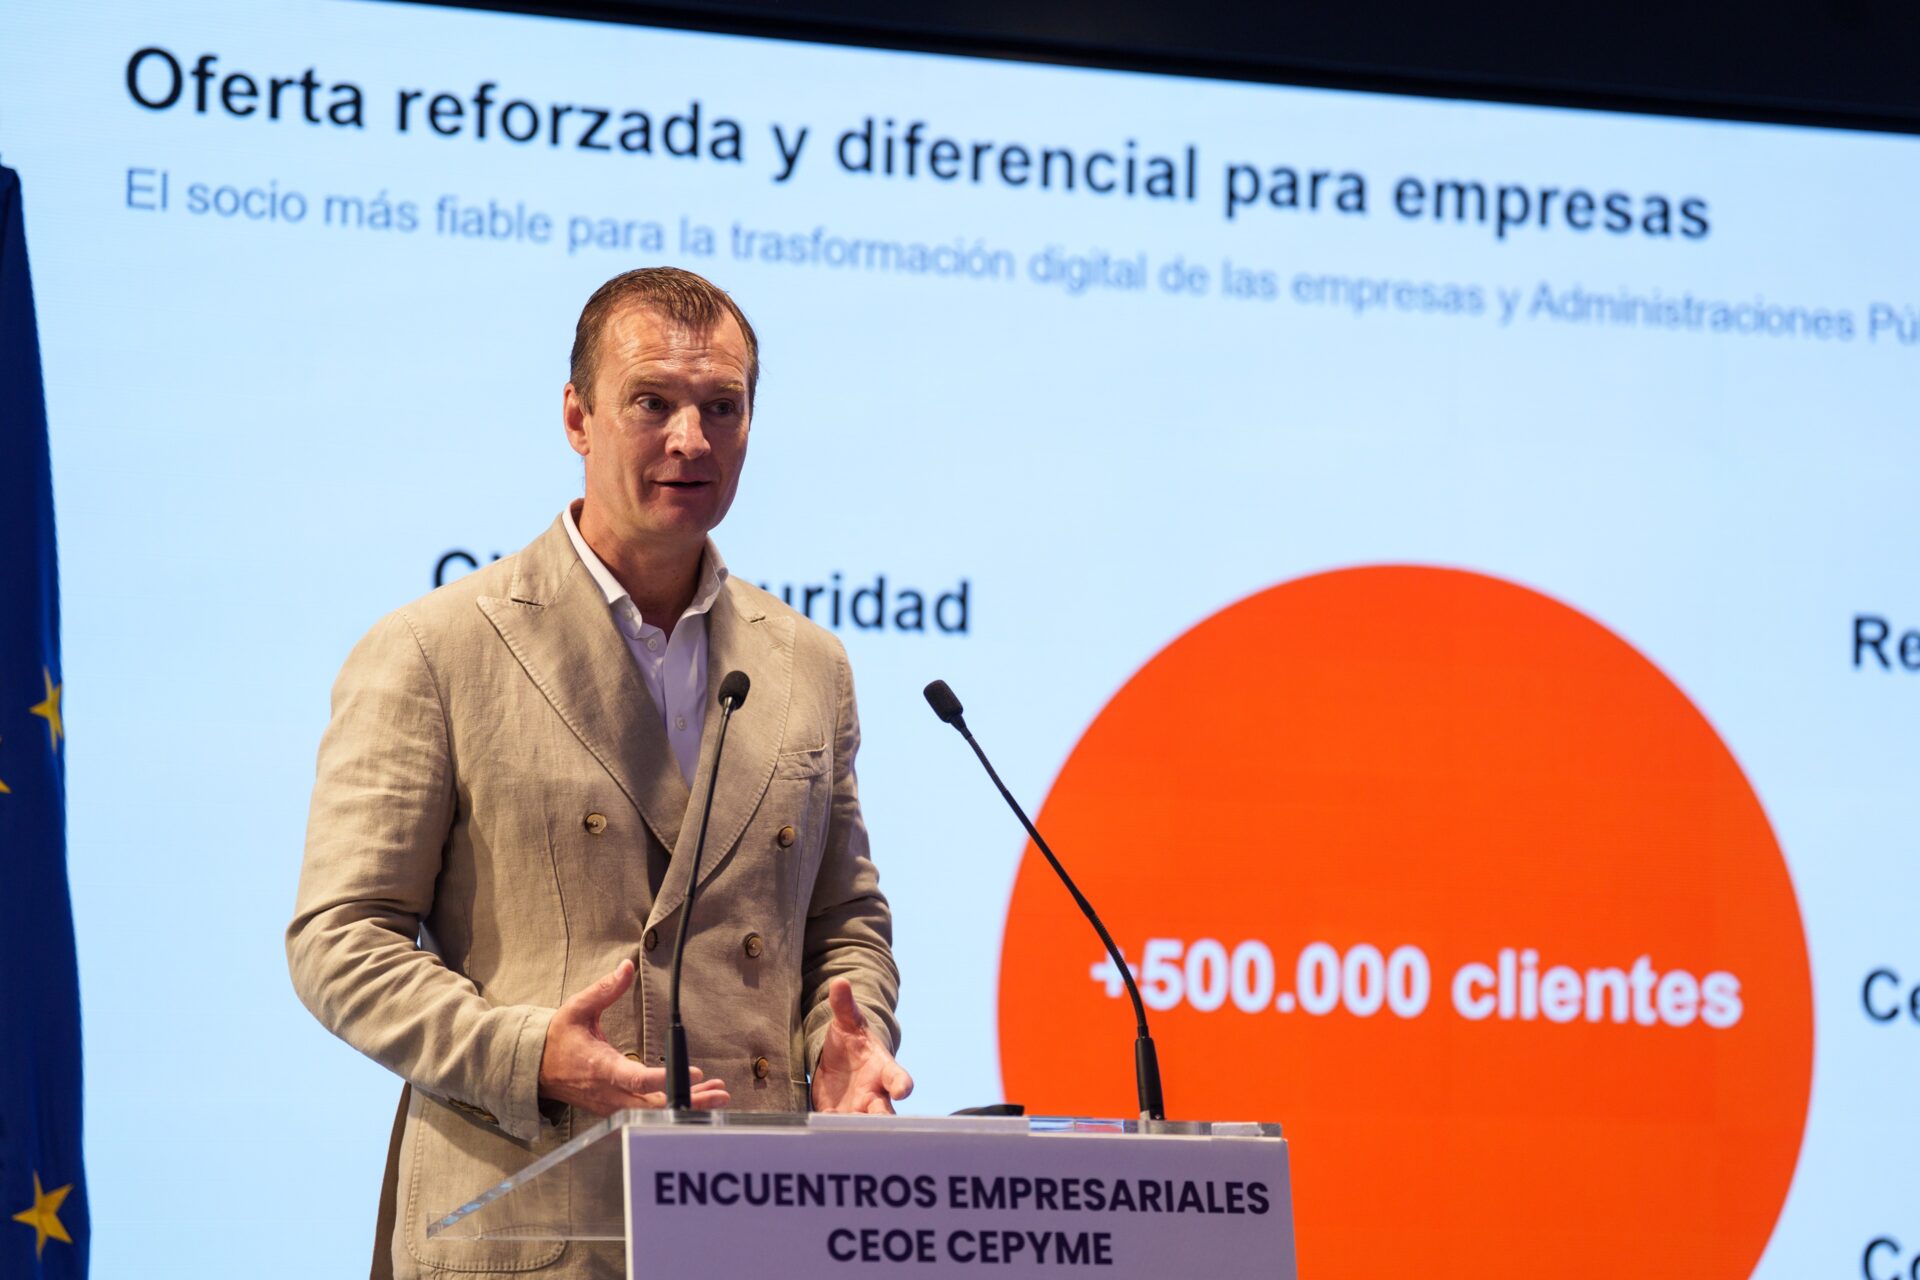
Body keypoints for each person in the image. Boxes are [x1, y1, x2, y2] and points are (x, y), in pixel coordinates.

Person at [288, 267, 910, 1279]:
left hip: (759, 1220)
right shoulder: (436, 647)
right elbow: (340, 939)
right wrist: (527, 1052)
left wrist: (851, 1034)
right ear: (577, 416)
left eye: (722, 407)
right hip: (530, 1221)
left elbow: (844, 919)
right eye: (652, 402)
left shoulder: (809, 662)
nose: (691, 439)